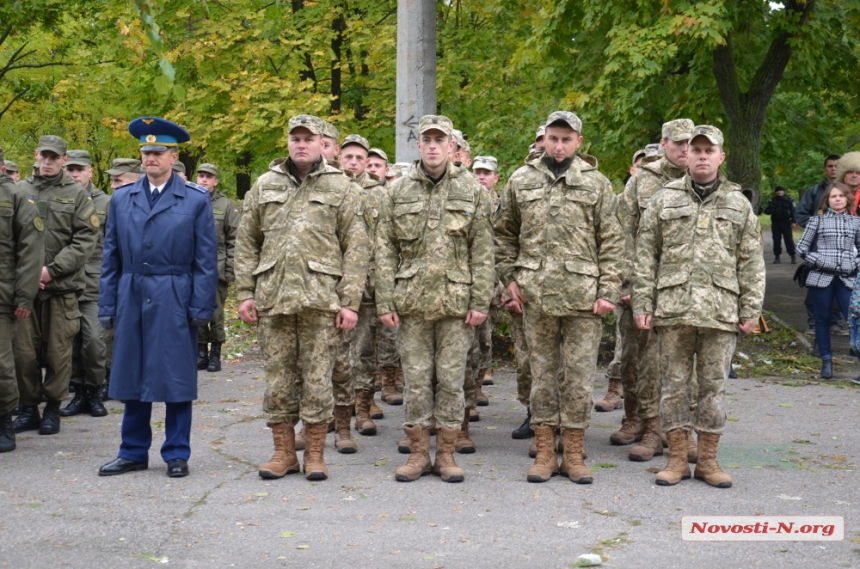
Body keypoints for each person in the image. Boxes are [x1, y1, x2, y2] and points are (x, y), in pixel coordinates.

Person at [235, 114, 369, 481]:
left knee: (317, 380)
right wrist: (245, 293)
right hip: (274, 299)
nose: (301, 144)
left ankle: (314, 454)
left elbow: (356, 248)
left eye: (308, 138)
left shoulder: (342, 188)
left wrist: (350, 302)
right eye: (295, 138)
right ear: (288, 142)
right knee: (277, 381)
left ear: (320, 142)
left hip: (321, 302)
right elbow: (247, 243)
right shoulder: (264, 185)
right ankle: (282, 454)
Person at [495, 111, 624, 484]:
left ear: (579, 142)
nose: (559, 145)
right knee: (542, 378)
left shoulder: (596, 183)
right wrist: (510, 278)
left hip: (584, 300)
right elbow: (504, 235)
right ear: (544, 139)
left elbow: (612, 242)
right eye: (553, 138)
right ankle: (545, 453)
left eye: (567, 139)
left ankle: (575, 453)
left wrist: (608, 291)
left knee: (579, 379)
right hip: (536, 297)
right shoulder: (521, 179)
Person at [634, 125, 765, 488]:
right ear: (686, 157)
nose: (703, 156)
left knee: (713, 390)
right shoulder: (664, 199)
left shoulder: (738, 203)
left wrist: (750, 310)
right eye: (697, 150)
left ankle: (707, 461)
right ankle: (677, 459)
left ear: (721, 157)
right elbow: (646, 256)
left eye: (710, 150)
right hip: (673, 309)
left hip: (720, 312)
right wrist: (643, 302)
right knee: (673, 387)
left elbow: (751, 262)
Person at [97, 117, 218, 478]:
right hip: (132, 292)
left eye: (158, 152)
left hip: (174, 293)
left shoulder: (195, 200)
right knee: (132, 375)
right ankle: (132, 451)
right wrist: (108, 304)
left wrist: (200, 306)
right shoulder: (122, 199)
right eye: (146, 152)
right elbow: (110, 257)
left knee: (176, 377)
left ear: (173, 156)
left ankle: (177, 452)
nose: (151, 158)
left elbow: (205, 260)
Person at [376, 115, 494, 483]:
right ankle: (416, 454)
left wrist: (480, 300)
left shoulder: (471, 190)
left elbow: (484, 250)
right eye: (426, 139)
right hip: (410, 303)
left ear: (451, 147)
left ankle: (445, 453)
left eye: (439, 140)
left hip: (456, 305)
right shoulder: (398, 190)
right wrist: (384, 301)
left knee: (451, 380)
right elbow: (383, 249)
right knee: (415, 379)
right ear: (418, 145)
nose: (432, 146)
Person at [611, 119, 695, 465]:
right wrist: (629, 284)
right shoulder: (642, 179)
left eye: (691, 144)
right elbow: (622, 232)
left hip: (685, 289)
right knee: (636, 360)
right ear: (663, 144)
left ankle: (679, 430)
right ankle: (642, 421)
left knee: (681, 364)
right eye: (678, 143)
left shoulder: (704, 180)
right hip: (641, 286)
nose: (685, 150)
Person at [12, 136, 98, 436]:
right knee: (24, 353)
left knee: (58, 353)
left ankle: (52, 409)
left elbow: (85, 239)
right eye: (43, 156)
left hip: (62, 288)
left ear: (63, 160)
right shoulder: (18, 190)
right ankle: (28, 408)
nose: (47, 162)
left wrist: (51, 270)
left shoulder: (77, 194)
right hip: (24, 290)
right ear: (35, 155)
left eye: (54, 157)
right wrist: (26, 274)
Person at [0, 150, 44, 453]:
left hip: (3, 295)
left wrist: (24, 295)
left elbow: (31, 251)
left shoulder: (17, 196)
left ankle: (4, 421)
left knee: (2, 364)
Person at [60, 150, 109, 418]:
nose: (75, 174)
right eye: (71, 169)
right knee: (70, 342)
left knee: (93, 340)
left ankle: (95, 391)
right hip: (64, 281)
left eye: (80, 170)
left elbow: (116, 245)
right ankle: (78, 394)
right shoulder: (60, 198)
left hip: (94, 282)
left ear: (90, 172)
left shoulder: (105, 202)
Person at [796, 182, 860, 379]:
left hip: (846, 277)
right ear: (827, 200)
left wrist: (853, 262)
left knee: (854, 319)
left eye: (841, 196)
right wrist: (819, 260)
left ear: (847, 199)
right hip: (821, 276)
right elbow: (801, 248)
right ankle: (826, 361)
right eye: (833, 196)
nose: (838, 199)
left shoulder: (856, 223)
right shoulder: (817, 221)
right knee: (822, 319)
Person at [195, 163, 241, 373]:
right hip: (194, 268)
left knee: (215, 314)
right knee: (197, 312)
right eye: (201, 176)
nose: (204, 180)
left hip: (217, 268)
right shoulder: (191, 201)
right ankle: (201, 353)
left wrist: (230, 270)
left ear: (216, 181)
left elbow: (235, 240)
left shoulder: (226, 205)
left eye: (208, 177)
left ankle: (216, 354)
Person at [796, 155, 840, 227]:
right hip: (819, 236)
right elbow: (800, 215)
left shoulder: (849, 191)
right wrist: (820, 225)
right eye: (830, 166)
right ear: (824, 169)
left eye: (836, 166)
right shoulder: (813, 191)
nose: (833, 169)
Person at [764, 186, 797, 264]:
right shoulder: (772, 201)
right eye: (778, 191)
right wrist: (771, 209)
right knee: (776, 240)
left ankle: (793, 256)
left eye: (781, 190)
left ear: (783, 191)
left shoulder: (789, 200)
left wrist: (794, 221)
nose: (779, 192)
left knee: (789, 240)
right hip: (776, 223)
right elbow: (767, 211)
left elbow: (793, 211)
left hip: (786, 222)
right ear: (776, 192)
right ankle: (777, 257)